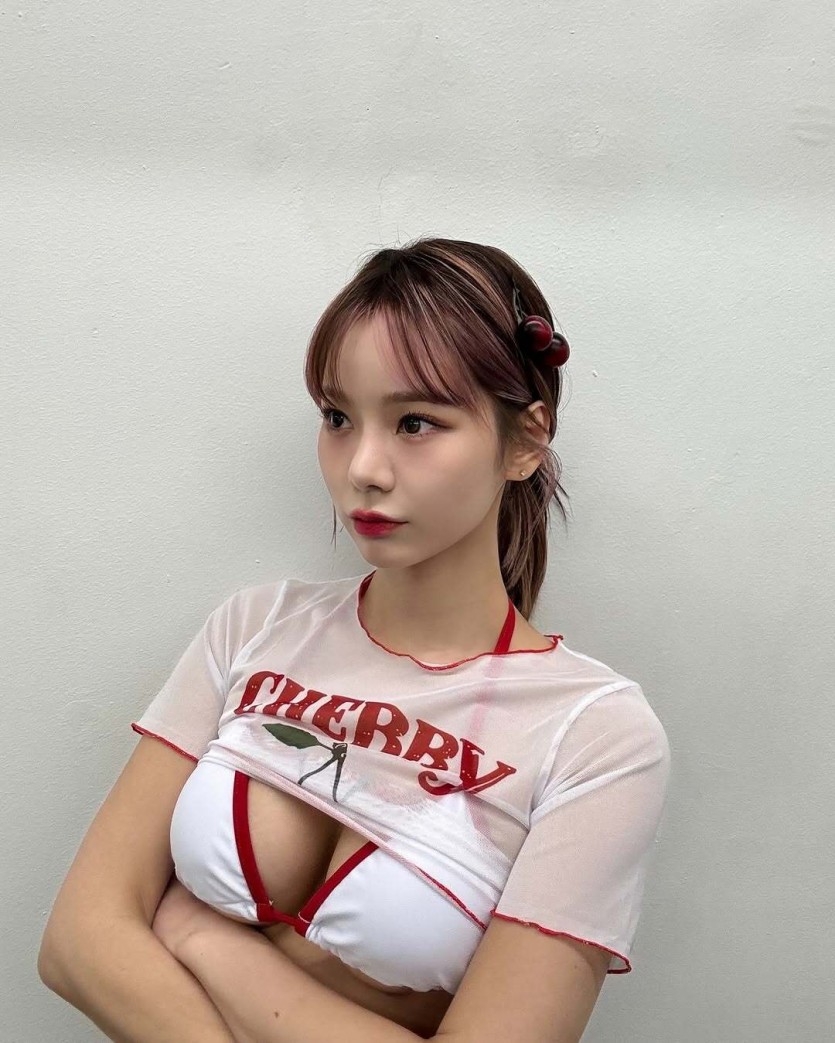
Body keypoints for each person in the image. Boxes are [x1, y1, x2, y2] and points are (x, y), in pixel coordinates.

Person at [38, 236, 671, 1043]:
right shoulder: (256, 625)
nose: (363, 467)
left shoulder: (596, 734)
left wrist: (196, 934)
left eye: (415, 422)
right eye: (338, 417)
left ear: (523, 440)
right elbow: (76, 944)